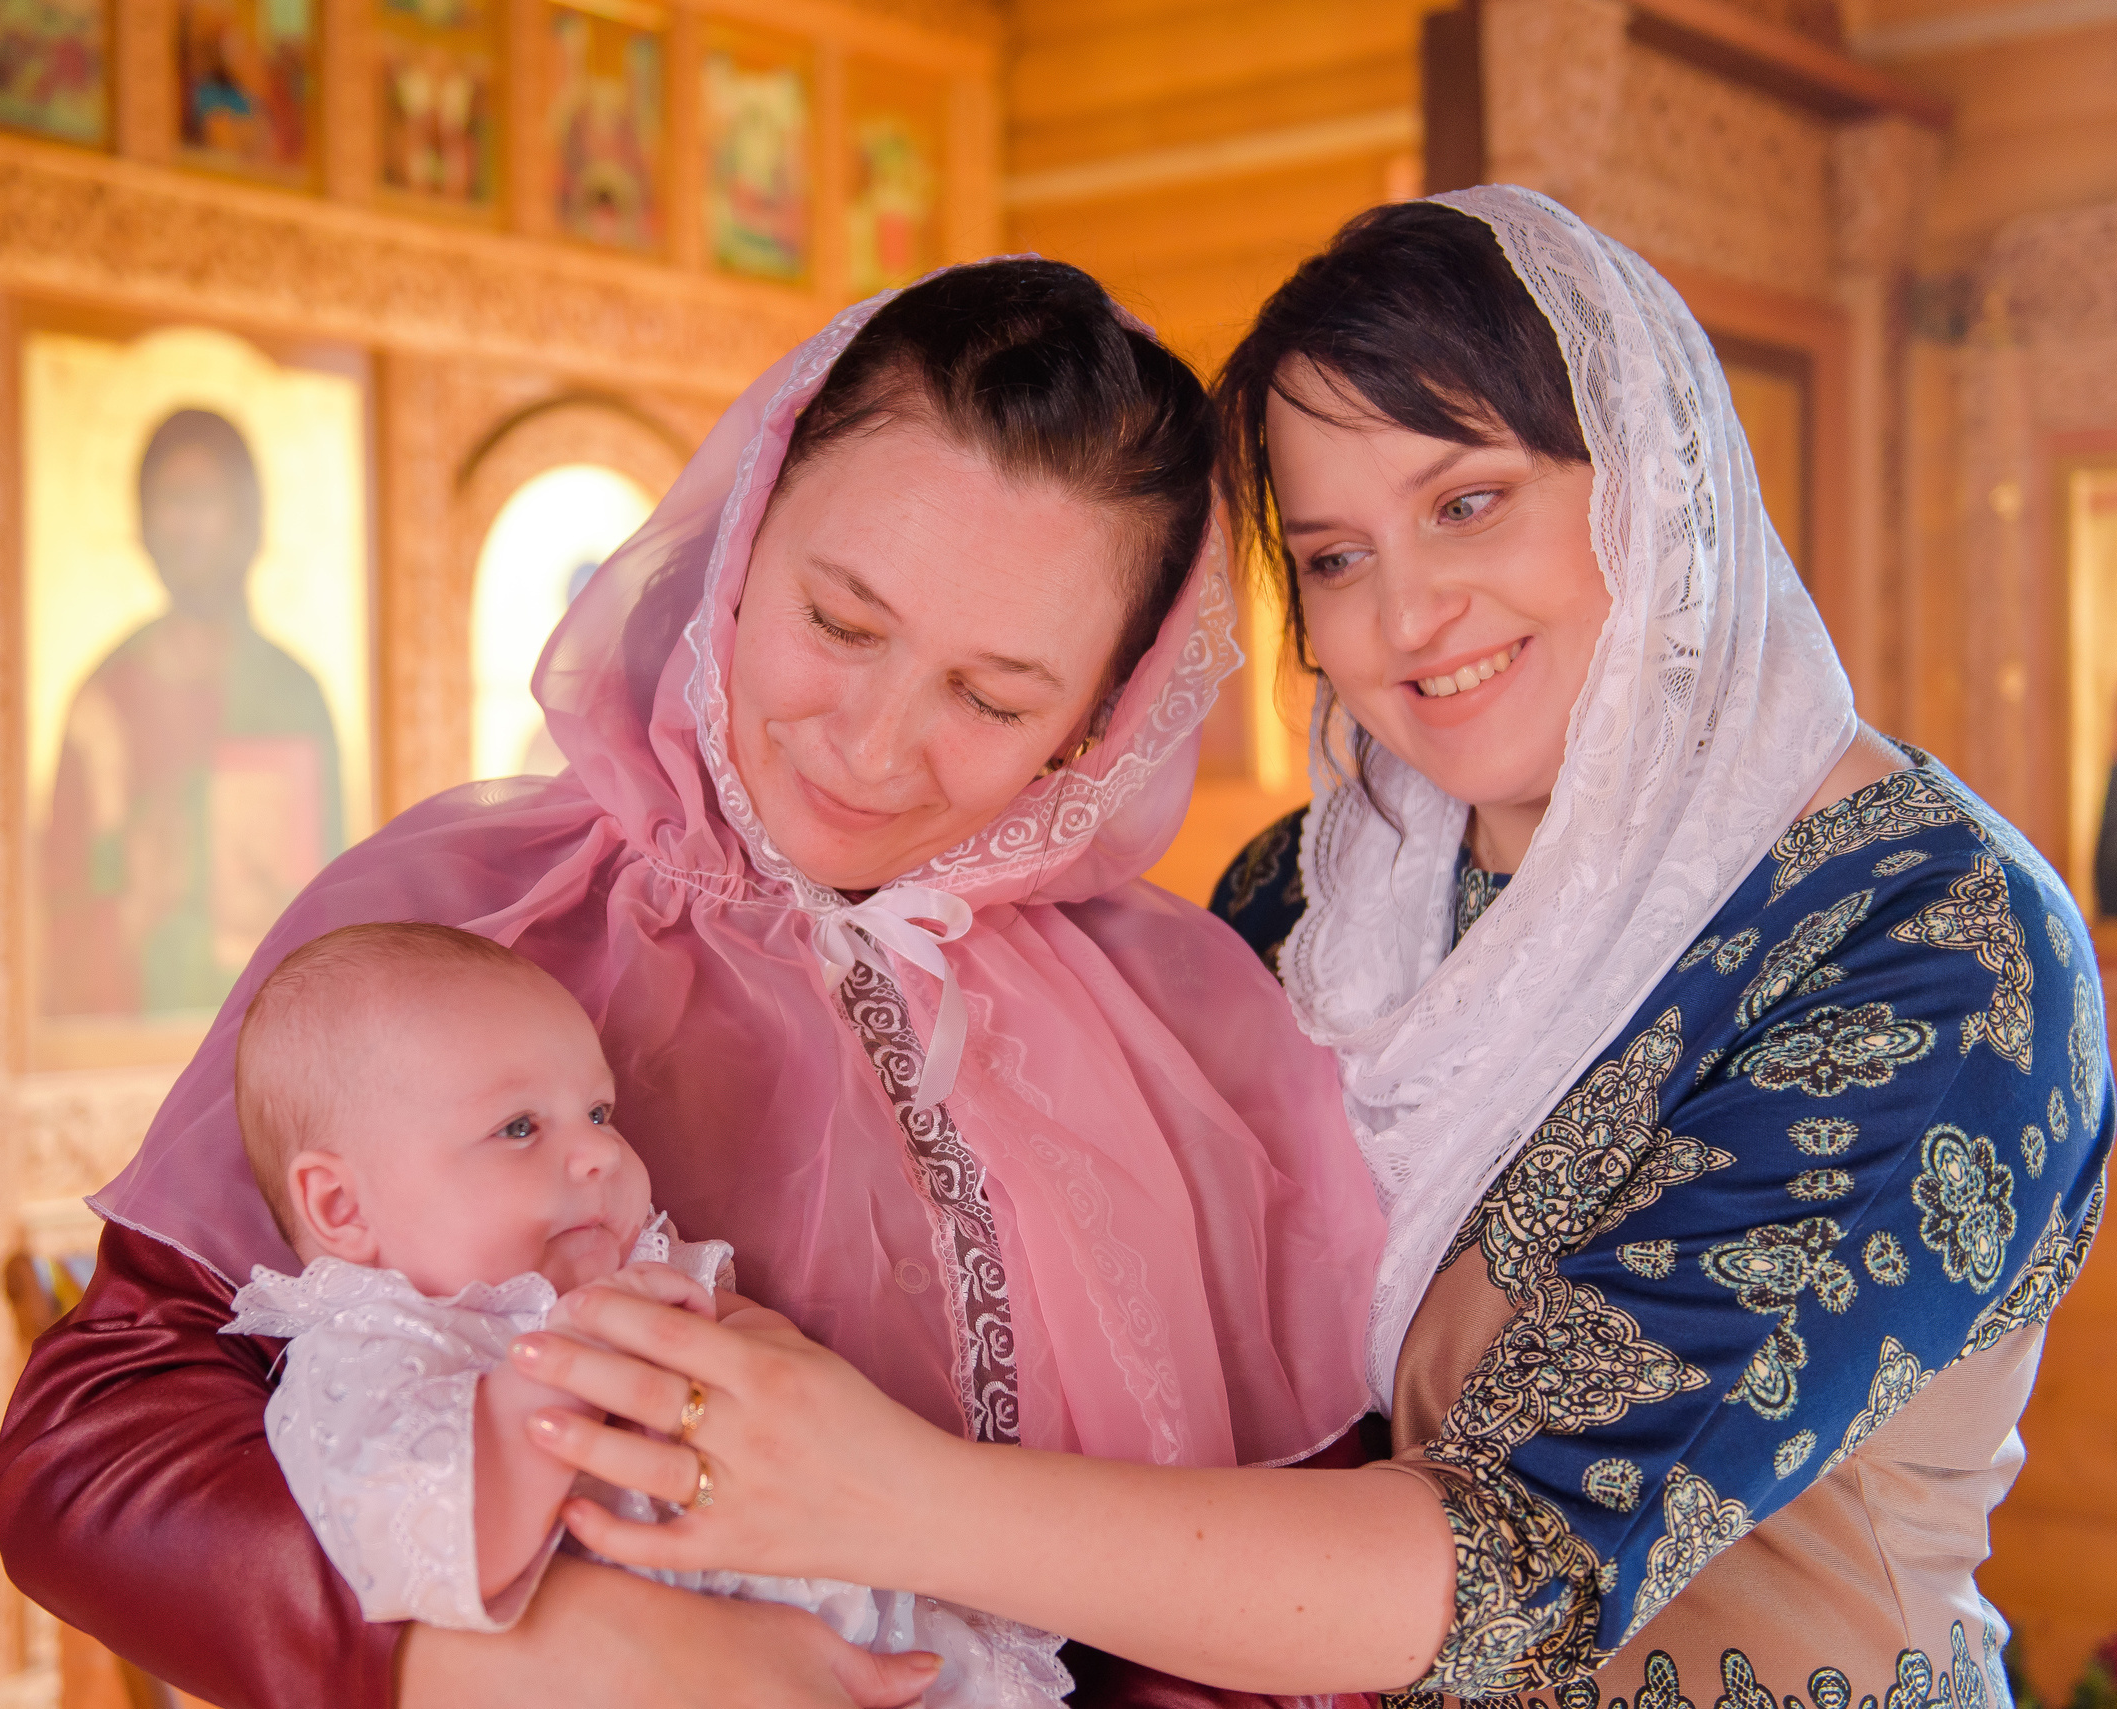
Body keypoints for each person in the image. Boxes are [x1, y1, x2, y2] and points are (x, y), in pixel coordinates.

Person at [498, 188, 2113, 1709]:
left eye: (1466, 501)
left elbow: (1524, 1560)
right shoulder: (1310, 894)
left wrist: (877, 1492)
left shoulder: (1926, 939)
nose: (1408, 615)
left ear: (1654, 471)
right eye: (1335, 555)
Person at [0, 257, 1385, 1709]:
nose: (873, 743)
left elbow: (1305, 1611)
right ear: (743, 533)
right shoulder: (460, 932)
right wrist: (515, 1658)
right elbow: (92, 1454)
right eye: (841, 623)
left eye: (994, 697)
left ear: (1103, 717)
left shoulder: (1189, 1026)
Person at [221, 921, 1070, 1706]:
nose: (599, 1152)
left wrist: (746, 1340)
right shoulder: (368, 1349)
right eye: (519, 1126)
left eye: (598, 1112)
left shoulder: (627, 1265)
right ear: (341, 1206)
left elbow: (773, 1365)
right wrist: (571, 1361)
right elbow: (424, 1540)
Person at [39, 407, 343, 1020]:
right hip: (136, 1031)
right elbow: (54, 918)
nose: (184, 526)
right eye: (167, 501)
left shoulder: (293, 695)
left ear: (247, 520)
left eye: (203, 499)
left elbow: (344, 900)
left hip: (279, 1033)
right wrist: (136, 903)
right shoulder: (106, 702)